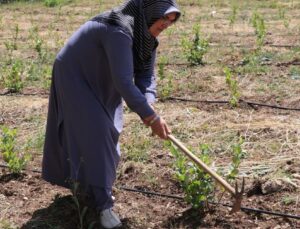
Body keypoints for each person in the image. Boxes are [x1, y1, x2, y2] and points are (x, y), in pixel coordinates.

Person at [42, 0, 180, 228]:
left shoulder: (147, 39)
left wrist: (148, 105)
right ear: (149, 11)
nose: (167, 24)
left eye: (171, 21)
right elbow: (125, 83)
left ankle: (88, 188)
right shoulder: (119, 29)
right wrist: (151, 118)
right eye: (164, 18)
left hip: (102, 77)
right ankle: (103, 206)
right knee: (99, 134)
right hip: (75, 75)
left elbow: (146, 77)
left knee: (109, 132)